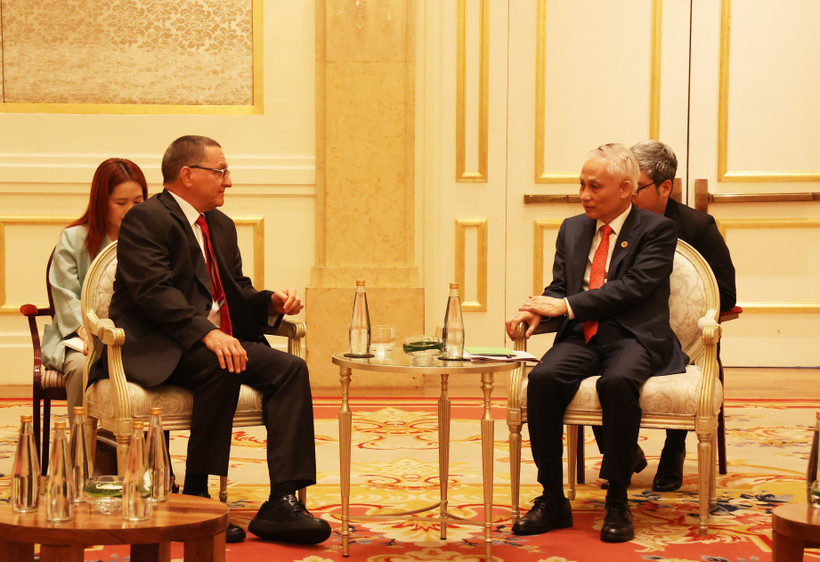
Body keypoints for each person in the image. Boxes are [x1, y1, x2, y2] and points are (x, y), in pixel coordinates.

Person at [97, 135, 330, 546]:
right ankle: (197, 495)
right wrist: (208, 333)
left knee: (291, 369)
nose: (229, 181)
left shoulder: (220, 225)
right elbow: (154, 292)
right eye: (221, 171)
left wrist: (270, 304)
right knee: (224, 362)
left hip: (212, 341)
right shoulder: (146, 219)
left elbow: (235, 289)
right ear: (188, 174)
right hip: (159, 344)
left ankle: (282, 501)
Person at [506, 143, 688, 543]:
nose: (584, 195)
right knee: (543, 379)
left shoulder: (657, 230)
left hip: (634, 335)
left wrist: (565, 306)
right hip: (583, 335)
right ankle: (552, 498)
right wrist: (537, 311)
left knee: (617, 383)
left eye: (594, 186)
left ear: (624, 189)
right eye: (581, 185)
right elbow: (561, 287)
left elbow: (633, 288)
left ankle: (618, 501)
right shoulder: (572, 228)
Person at [628, 139, 736, 492]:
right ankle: (625, 450)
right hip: (628, 329)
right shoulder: (616, 221)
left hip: (683, 335)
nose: (627, 195)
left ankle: (674, 448)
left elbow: (726, 294)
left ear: (665, 187)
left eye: (636, 187)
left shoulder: (697, 226)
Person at [42, 158, 147, 425]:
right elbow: (64, 294)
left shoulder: (151, 239)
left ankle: (139, 442)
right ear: (101, 201)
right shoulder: (74, 239)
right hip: (82, 336)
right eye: (121, 203)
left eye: (138, 201)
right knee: (81, 367)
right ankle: (82, 443)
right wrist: (86, 330)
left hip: (135, 335)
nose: (130, 210)